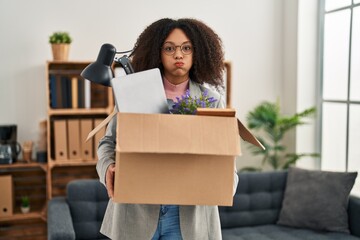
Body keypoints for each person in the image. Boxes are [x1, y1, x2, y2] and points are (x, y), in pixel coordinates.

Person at [97, 18, 239, 240]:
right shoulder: (134, 92)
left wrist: (224, 182)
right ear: (158, 53)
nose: (178, 55)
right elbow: (108, 143)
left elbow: (225, 157)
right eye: (169, 48)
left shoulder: (211, 100)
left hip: (190, 218)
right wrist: (108, 169)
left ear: (197, 52)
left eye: (186, 48)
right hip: (136, 212)